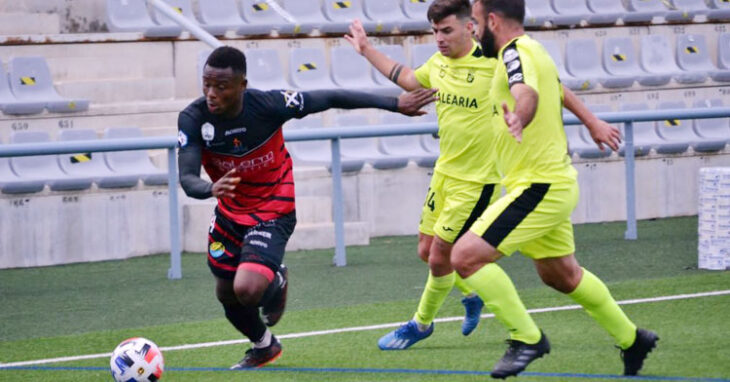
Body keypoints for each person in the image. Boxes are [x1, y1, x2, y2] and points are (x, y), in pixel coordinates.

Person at [345, 0, 622, 351]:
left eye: (446, 30)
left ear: (470, 27)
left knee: (440, 257)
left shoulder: (495, 61)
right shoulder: (439, 63)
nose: (439, 39)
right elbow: (408, 77)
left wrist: (592, 121)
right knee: (425, 250)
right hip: (445, 173)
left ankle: (420, 324)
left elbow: (551, 86)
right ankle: (473, 294)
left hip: (478, 182)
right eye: (434, 32)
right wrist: (366, 50)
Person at [177, 46, 437, 369]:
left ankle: (275, 279)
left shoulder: (269, 105)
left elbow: (327, 97)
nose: (211, 93)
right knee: (226, 293)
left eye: (221, 86)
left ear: (242, 85)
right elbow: (187, 177)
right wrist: (210, 188)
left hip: (274, 207)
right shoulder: (193, 118)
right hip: (229, 213)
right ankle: (264, 346)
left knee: (247, 288)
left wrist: (394, 104)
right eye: (206, 84)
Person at [450, 0, 658, 379]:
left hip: (538, 186)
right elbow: (554, 88)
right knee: (561, 276)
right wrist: (592, 120)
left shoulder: (515, 52)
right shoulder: (532, 51)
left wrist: (521, 116)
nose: (472, 30)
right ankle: (633, 338)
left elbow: (526, 92)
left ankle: (526, 338)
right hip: (549, 183)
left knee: (465, 257)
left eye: (476, 23)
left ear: (493, 20)